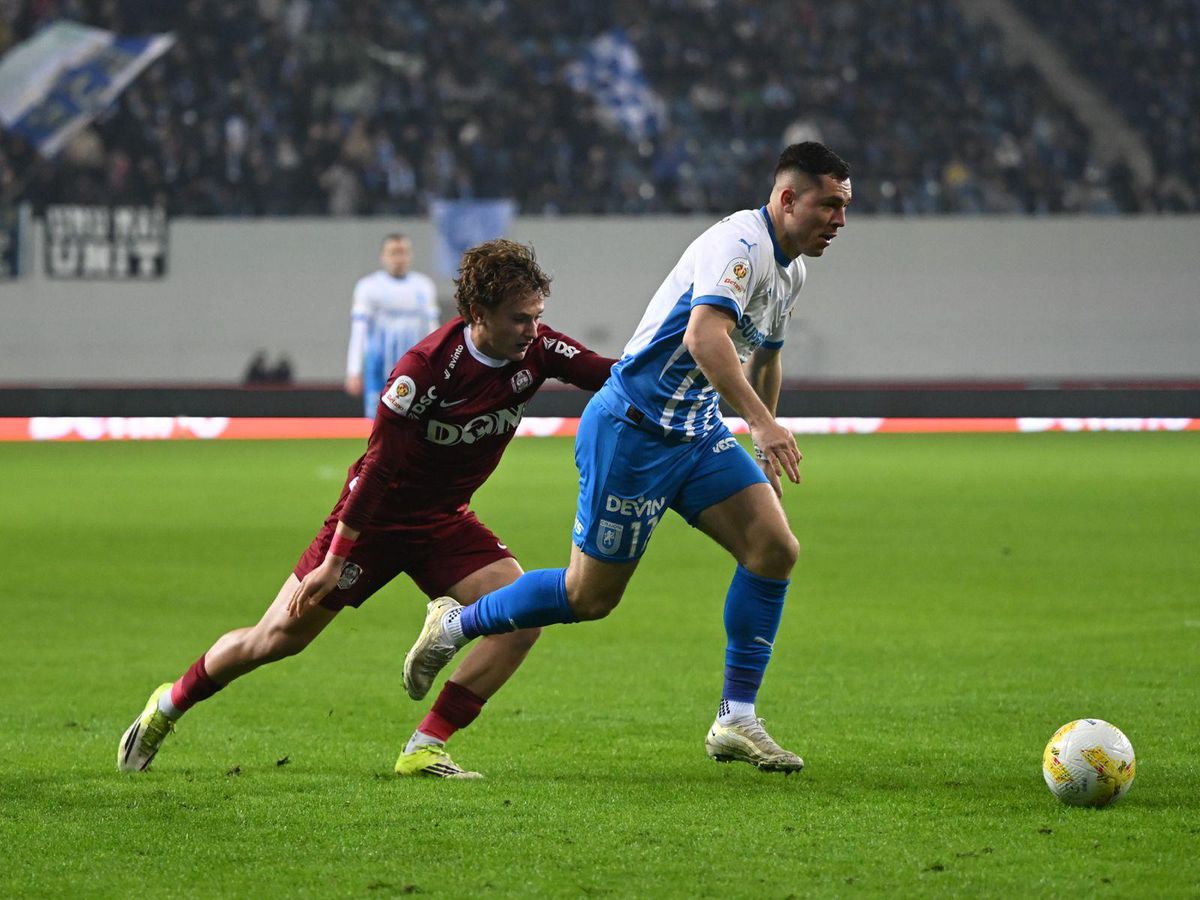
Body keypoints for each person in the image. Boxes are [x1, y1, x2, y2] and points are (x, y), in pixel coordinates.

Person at [402, 142, 852, 774]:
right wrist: (760, 419)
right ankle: (457, 624)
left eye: (844, 207)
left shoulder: (791, 270)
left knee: (775, 548)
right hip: (632, 429)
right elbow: (703, 337)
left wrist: (760, 436)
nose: (839, 220)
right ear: (787, 198)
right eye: (829, 204)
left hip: (694, 432)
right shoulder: (739, 247)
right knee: (589, 598)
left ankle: (736, 717)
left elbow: (766, 357)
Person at [118, 239, 616, 778]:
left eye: (538, 317)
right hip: (372, 523)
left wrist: (686, 356)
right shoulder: (425, 369)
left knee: (521, 620)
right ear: (478, 314)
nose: (533, 330)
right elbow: (377, 470)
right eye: (520, 319)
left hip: (444, 520)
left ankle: (425, 746)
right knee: (276, 639)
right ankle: (167, 706)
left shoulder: (538, 351)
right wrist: (336, 558)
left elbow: (609, 373)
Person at [345, 234, 440, 418]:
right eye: (393, 253)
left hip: (414, 369)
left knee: (415, 422)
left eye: (403, 252)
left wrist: (439, 364)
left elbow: (433, 330)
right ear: (383, 256)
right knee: (376, 422)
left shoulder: (424, 286)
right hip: (378, 369)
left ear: (410, 255)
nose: (398, 258)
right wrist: (354, 370)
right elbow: (359, 332)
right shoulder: (368, 287)